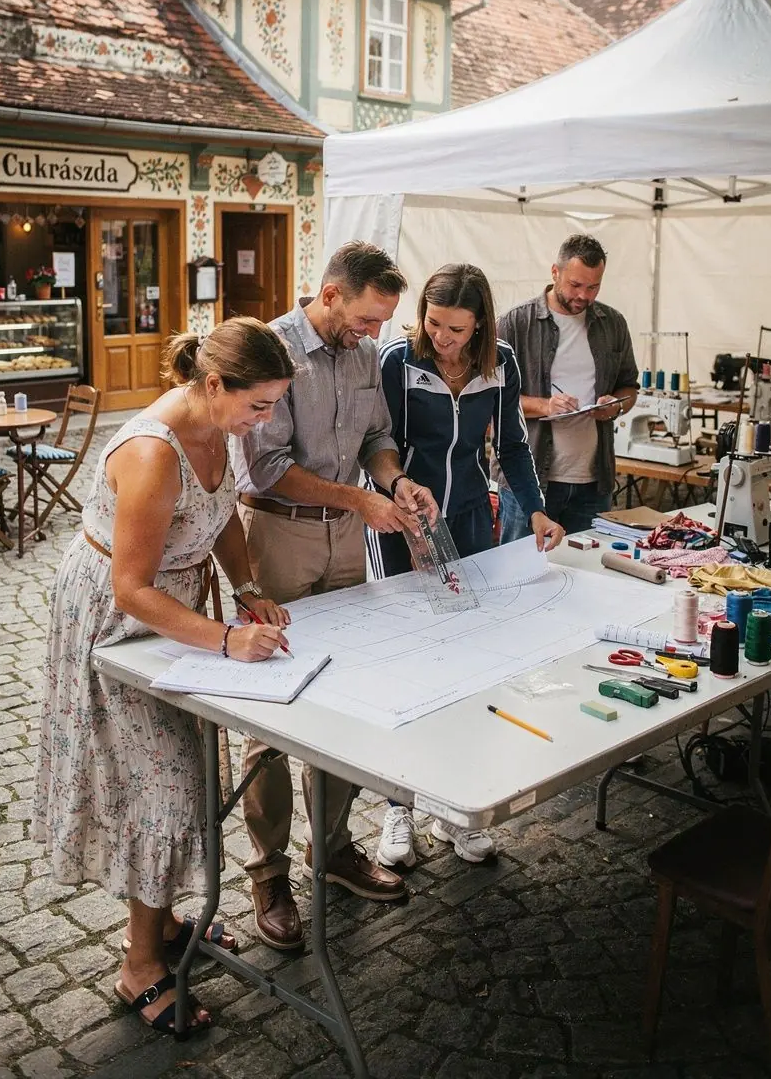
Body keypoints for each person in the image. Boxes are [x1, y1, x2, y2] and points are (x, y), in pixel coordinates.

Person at [34, 319, 296, 1036]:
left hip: (174, 613)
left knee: (183, 776)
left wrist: (245, 586)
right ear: (215, 385)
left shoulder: (223, 427)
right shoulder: (152, 451)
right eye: (260, 405)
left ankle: (171, 923)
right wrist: (227, 639)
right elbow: (129, 587)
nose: (266, 420)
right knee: (159, 788)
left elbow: (224, 521)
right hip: (121, 622)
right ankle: (139, 967)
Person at [230, 241, 437, 952]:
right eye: (366, 318)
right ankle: (269, 877)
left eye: (383, 321)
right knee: (273, 711)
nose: (375, 334)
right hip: (279, 538)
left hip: (346, 538)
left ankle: (335, 848)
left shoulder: (360, 351)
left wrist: (392, 482)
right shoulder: (273, 352)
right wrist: (358, 495)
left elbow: (377, 434)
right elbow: (266, 466)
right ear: (328, 293)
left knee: (346, 696)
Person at [368, 263, 564, 869]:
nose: (443, 338)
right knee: (408, 662)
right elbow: (383, 445)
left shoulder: (501, 362)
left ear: (480, 326)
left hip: (475, 523)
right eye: (433, 323)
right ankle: (397, 806)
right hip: (408, 524)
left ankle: (459, 806)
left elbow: (509, 445)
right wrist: (399, 494)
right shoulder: (399, 362)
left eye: (456, 329)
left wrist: (534, 510)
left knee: (469, 659)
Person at [497, 233, 638, 539]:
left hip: (593, 482)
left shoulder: (613, 324)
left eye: (593, 287)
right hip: (530, 481)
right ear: (555, 272)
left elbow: (629, 387)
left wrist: (616, 406)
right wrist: (545, 406)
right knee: (523, 576)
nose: (584, 296)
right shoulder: (515, 324)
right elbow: (490, 400)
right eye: (576, 285)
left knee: (586, 577)